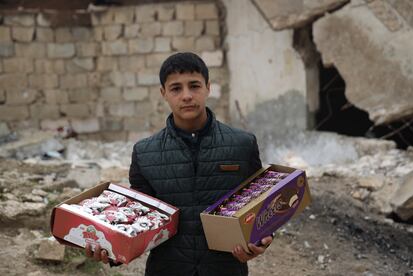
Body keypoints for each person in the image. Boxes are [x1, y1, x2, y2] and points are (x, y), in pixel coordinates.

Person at [86, 52, 273, 275]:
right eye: (176, 88)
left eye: (194, 86)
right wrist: (112, 250)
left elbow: (261, 206)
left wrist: (260, 241)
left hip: (225, 269)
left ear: (208, 87)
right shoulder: (146, 152)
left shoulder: (242, 144)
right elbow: (137, 219)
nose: (186, 96)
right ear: (163, 93)